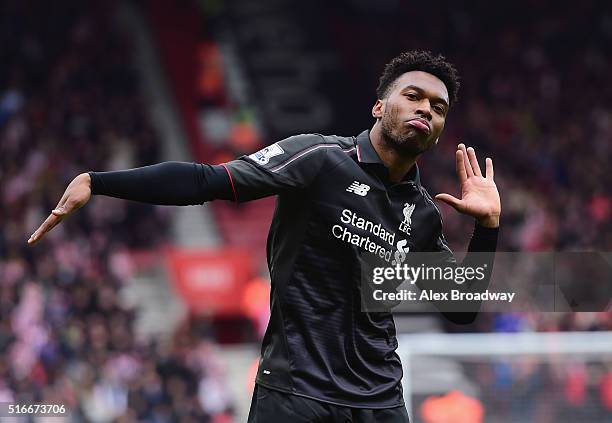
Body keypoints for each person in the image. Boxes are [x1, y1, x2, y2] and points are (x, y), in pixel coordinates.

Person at [28, 50, 501, 422]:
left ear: (439, 131)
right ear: (379, 106)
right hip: (295, 392)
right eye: (414, 96)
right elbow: (206, 182)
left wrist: (487, 228)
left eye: (438, 108)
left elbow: (460, 310)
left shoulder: (422, 213)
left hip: (378, 402)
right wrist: (101, 181)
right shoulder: (318, 158)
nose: (426, 110)